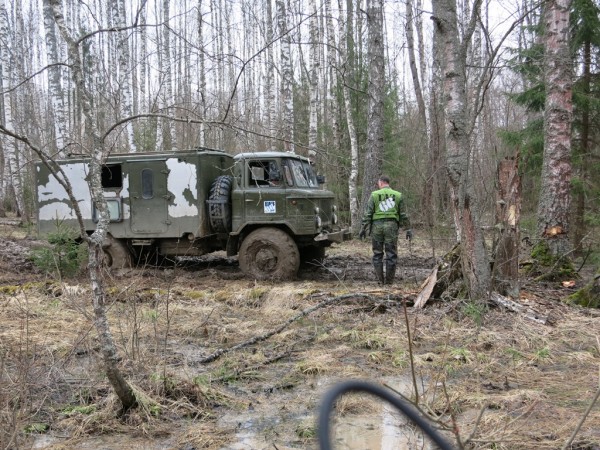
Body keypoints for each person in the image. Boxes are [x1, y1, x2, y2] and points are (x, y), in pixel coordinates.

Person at [359, 176, 411, 284]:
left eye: (378, 183)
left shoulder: (374, 195)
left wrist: (363, 228)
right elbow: (403, 215)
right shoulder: (398, 195)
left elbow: (368, 213)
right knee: (391, 254)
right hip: (391, 226)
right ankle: (389, 283)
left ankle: (380, 281)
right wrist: (408, 229)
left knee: (377, 253)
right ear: (388, 183)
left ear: (381, 183)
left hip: (377, 227)